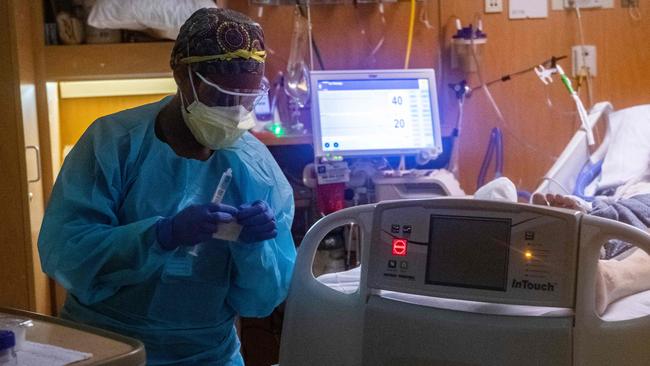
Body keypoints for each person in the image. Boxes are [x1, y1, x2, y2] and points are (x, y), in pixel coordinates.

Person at [38, 8, 296, 365]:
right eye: (220, 97)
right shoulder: (115, 144)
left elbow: (261, 300)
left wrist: (257, 249)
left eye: (246, 99)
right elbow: (65, 253)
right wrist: (161, 235)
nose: (235, 112)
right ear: (181, 75)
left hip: (208, 353)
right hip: (108, 345)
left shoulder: (256, 170)